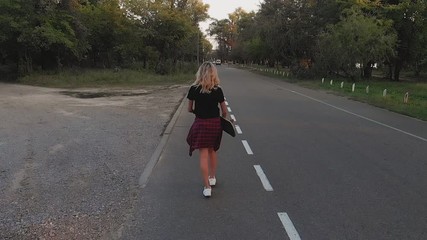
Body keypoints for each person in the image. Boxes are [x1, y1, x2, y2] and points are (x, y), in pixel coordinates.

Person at [186, 62, 228, 198]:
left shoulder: (193, 89)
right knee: (212, 150)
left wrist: (197, 111)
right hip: (215, 124)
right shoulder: (218, 90)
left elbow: (189, 109)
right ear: (213, 73)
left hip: (201, 123)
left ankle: (207, 187)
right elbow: (224, 111)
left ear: (200, 73)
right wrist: (223, 119)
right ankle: (212, 177)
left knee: (203, 154)